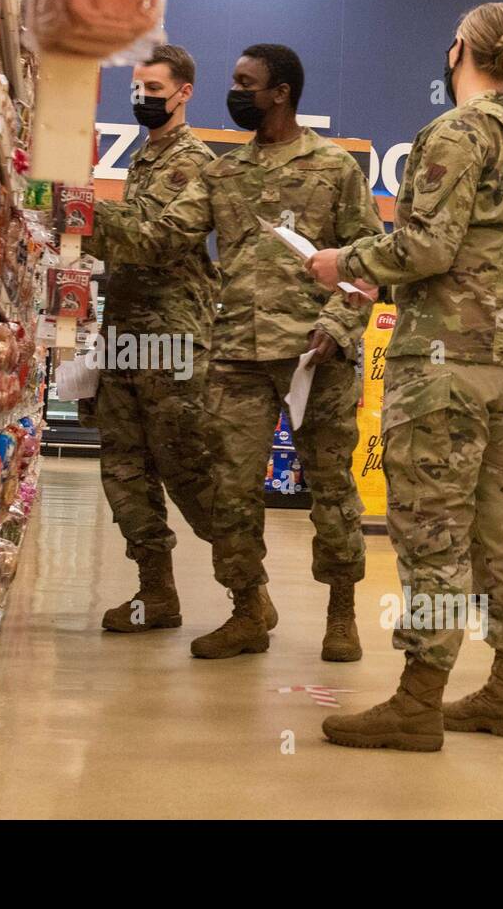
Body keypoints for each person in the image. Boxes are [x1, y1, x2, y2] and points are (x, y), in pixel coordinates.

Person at [307, 3, 503, 751]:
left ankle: (420, 701)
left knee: (431, 534)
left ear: (458, 49)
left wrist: (341, 264)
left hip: (446, 362)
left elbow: (428, 247)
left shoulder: (455, 132)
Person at [89, 43, 384, 660]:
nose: (236, 91)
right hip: (238, 358)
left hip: (317, 357)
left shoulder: (334, 168)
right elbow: (159, 237)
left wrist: (335, 325)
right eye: (233, 82)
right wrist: (75, 205)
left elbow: (366, 261)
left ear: (280, 93)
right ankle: (247, 610)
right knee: (231, 490)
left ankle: (341, 614)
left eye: (246, 83)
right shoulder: (223, 173)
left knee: (330, 489)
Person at [88, 45, 219, 634]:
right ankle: (156, 593)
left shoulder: (196, 162)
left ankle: (247, 594)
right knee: (123, 467)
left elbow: (157, 241)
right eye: (136, 87)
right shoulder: (144, 160)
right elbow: (122, 244)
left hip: (171, 341)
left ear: (184, 92)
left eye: (153, 88)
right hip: (124, 337)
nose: (141, 97)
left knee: (190, 470)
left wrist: (81, 212)